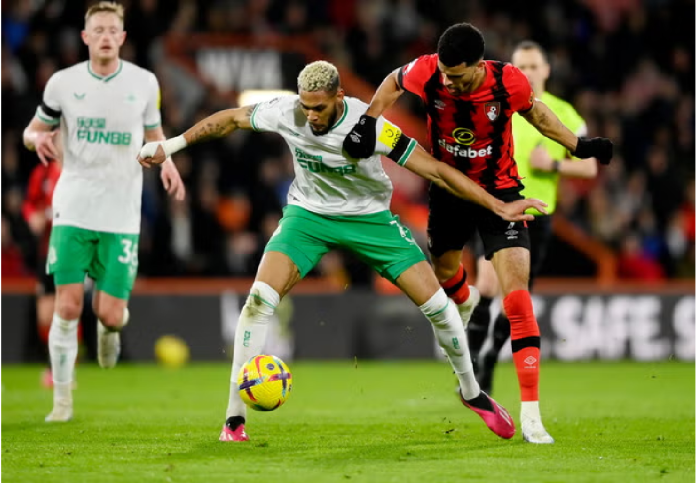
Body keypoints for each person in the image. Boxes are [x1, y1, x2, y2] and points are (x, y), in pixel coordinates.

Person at [138, 60, 548, 442]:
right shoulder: (287, 111)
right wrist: (170, 145)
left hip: (370, 220)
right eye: (305, 107)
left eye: (318, 108)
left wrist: (495, 204)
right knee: (258, 301)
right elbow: (228, 119)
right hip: (308, 216)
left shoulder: (370, 127)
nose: (310, 116)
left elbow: (435, 169)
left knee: (441, 309)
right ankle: (233, 419)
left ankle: (472, 392)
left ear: (338, 98)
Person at [342, 23, 613, 444]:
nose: (449, 81)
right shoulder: (428, 70)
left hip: (502, 191)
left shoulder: (508, 82)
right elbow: (393, 82)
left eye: (458, 75)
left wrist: (579, 146)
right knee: (445, 269)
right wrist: (367, 120)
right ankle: (466, 309)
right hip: (449, 190)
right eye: (446, 74)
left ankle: (532, 415)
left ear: (478, 65)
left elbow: (538, 114)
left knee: (517, 297)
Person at [22, 1, 186, 423]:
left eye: (114, 29)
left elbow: (154, 134)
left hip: (121, 213)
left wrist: (167, 162)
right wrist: (32, 139)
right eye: (99, 29)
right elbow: (34, 129)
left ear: (123, 37)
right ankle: (61, 402)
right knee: (69, 305)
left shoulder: (144, 83)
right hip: (73, 207)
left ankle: (109, 328)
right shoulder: (62, 83)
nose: (107, 36)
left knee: (109, 313)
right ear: (86, 37)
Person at [468, 40, 599, 396]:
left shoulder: (564, 113)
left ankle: (490, 359)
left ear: (546, 70)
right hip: (496, 209)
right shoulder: (498, 106)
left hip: (538, 218)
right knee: (486, 288)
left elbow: (589, 166)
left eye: (533, 66)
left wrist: (554, 164)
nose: (526, 73)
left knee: (516, 299)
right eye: (520, 67)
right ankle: (470, 369)